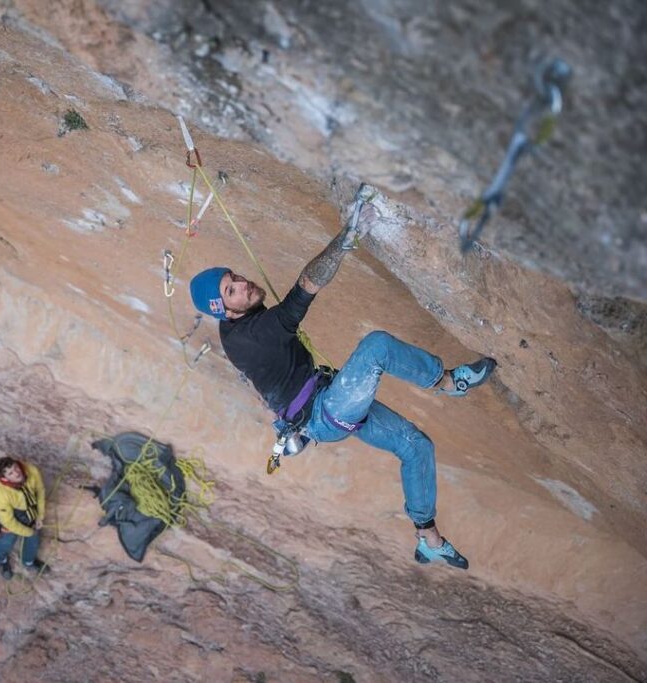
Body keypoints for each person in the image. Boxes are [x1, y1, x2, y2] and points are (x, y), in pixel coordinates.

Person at [188, 191, 495, 570]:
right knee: (377, 347)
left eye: (234, 278)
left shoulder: (239, 324)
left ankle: (428, 538)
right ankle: (449, 382)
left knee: (417, 447)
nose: (244, 285)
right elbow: (305, 289)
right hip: (327, 410)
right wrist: (347, 237)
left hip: (325, 403)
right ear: (225, 311)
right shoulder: (251, 335)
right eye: (231, 290)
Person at [0, 456, 50, 579]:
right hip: (13, 514)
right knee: (6, 541)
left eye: (15, 468)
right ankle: (1, 560)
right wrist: (27, 531)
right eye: (10, 473)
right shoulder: (1, 494)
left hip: (30, 508)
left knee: (33, 540)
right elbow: (8, 521)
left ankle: (28, 562)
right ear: (4, 478)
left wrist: (40, 516)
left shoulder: (31, 470)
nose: (17, 473)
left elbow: (40, 491)